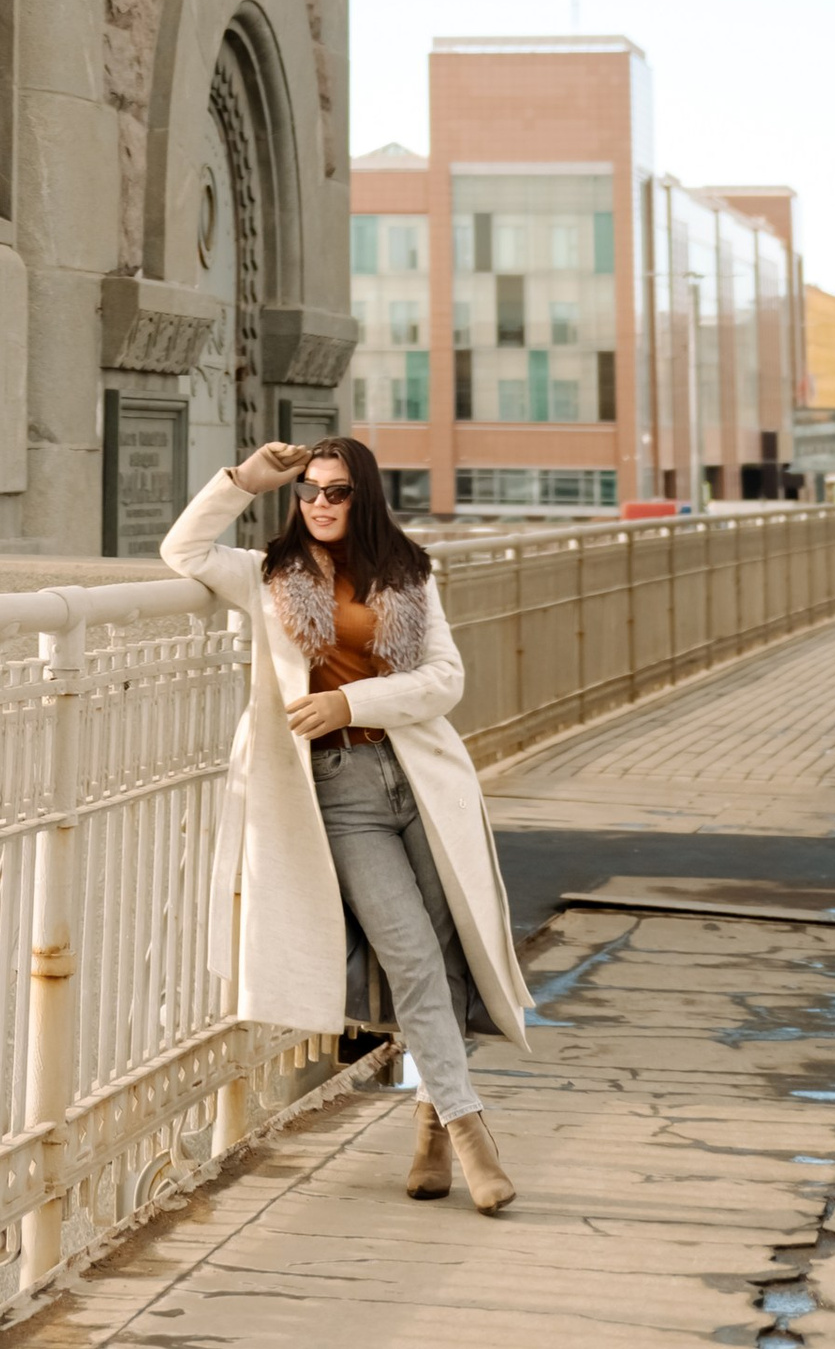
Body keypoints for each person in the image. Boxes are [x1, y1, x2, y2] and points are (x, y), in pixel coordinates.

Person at [160, 433, 532, 1211]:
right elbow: (183, 549)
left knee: (453, 956)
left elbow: (444, 678)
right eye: (309, 491)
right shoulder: (268, 574)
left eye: (336, 491)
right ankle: (473, 1136)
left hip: (422, 780)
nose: (320, 504)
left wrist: (351, 700)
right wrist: (246, 478)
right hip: (338, 793)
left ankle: (431, 1125)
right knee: (412, 958)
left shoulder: (409, 569)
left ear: (363, 495)